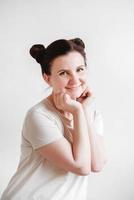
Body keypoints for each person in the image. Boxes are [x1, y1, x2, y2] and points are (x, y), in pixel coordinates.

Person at [1, 38, 107, 200]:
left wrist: (83, 111)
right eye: (63, 73)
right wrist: (78, 112)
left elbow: (97, 164)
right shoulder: (39, 116)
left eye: (80, 69)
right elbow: (81, 167)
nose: (75, 80)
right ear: (47, 78)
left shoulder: (92, 113)